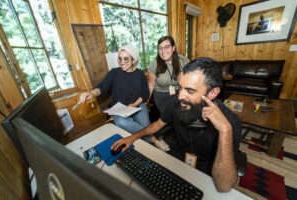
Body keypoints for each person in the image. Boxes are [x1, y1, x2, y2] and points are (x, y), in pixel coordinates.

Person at [112, 57, 242, 192]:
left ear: (213, 93)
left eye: (190, 91)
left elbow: (224, 186)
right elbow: (157, 125)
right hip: (178, 162)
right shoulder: (178, 104)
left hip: (208, 175)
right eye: (181, 88)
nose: (180, 96)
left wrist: (225, 131)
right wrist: (132, 137)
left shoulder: (230, 123)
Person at [79, 45, 169, 149]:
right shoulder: (114, 73)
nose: (122, 62)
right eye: (120, 59)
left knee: (146, 127)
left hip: (137, 105)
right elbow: (102, 87)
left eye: (126, 59)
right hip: (120, 109)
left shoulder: (140, 74)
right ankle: (154, 140)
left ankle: (148, 146)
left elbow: (145, 94)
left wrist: (134, 104)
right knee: (122, 122)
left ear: (133, 60)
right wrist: (92, 93)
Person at [148, 35, 190, 114]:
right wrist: (146, 101)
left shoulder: (183, 59)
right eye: (160, 48)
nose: (163, 51)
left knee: (182, 118)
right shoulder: (154, 63)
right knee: (170, 118)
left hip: (180, 94)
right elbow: (151, 84)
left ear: (173, 48)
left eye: (167, 47)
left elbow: (191, 78)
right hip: (162, 97)